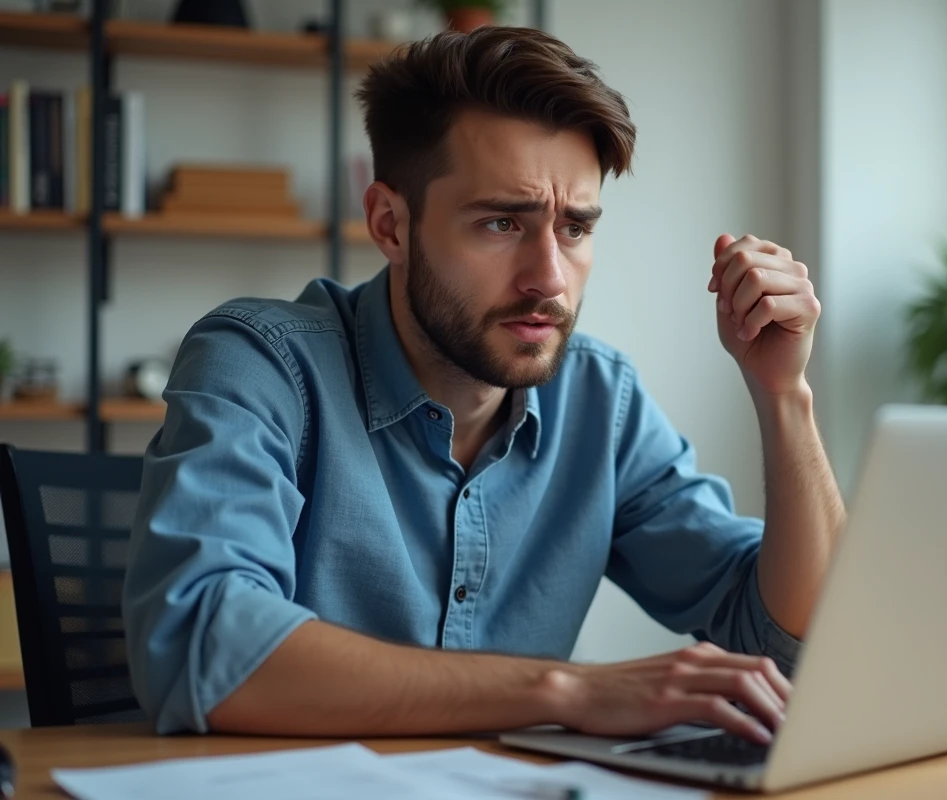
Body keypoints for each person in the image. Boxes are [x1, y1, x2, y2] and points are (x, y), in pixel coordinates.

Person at [122, 25, 845, 744]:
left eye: (575, 228)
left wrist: (784, 395)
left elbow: (791, 645)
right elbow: (202, 642)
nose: (549, 278)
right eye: (503, 222)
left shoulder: (601, 402)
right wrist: (569, 691)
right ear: (390, 224)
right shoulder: (262, 363)